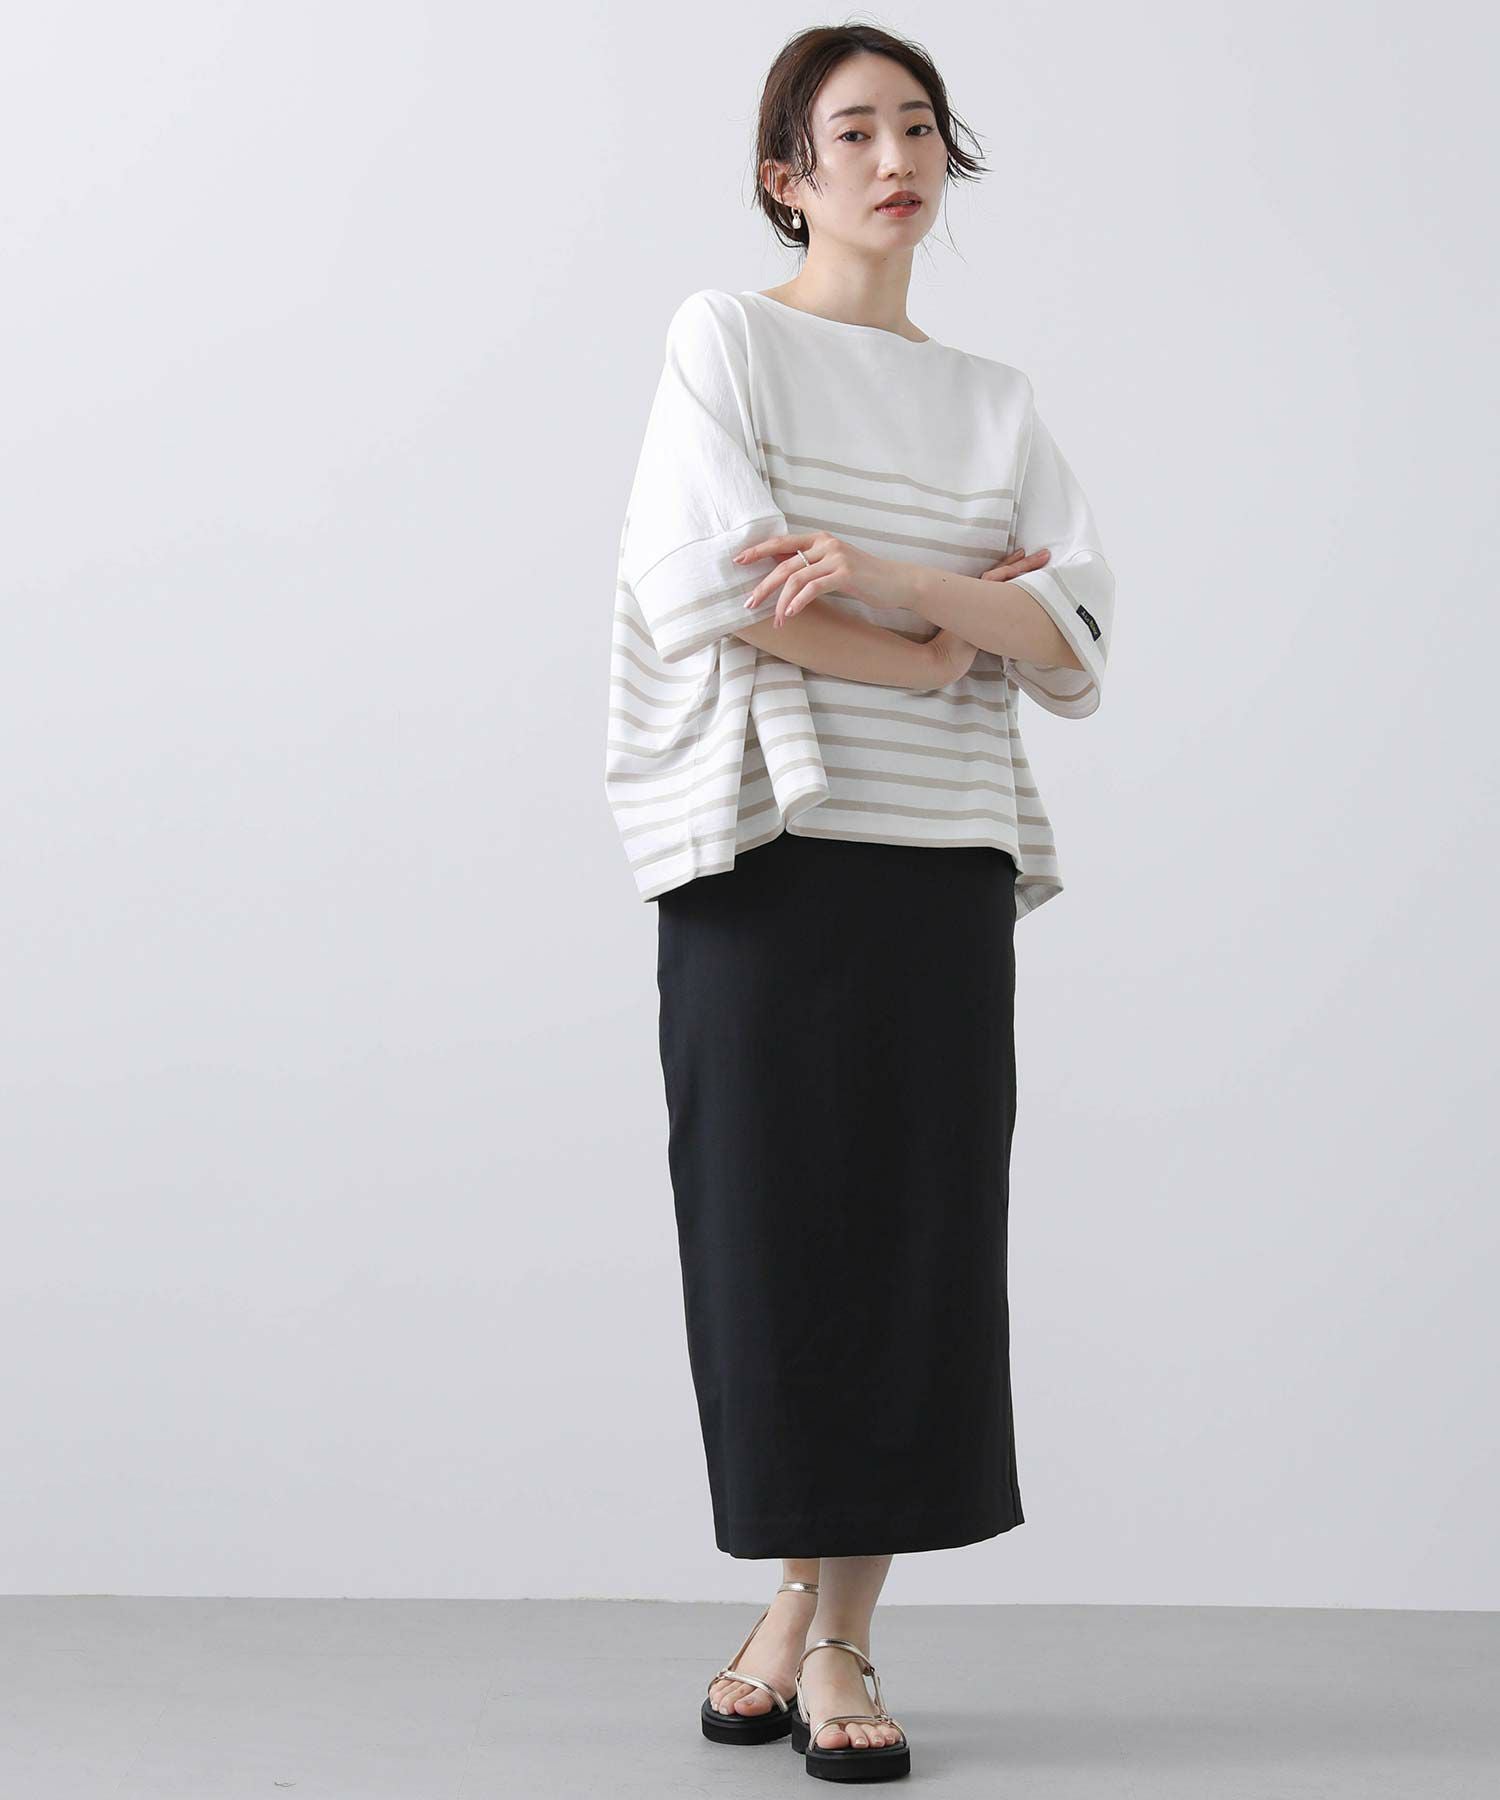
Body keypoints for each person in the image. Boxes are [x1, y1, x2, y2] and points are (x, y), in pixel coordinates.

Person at [603, 23, 1115, 1782]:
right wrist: (937, 642)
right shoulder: (727, 339)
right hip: (762, 853)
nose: (896, 160)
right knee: (771, 1246)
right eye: (853, 134)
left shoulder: (996, 403)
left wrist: (893, 581)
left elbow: (1075, 641)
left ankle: (830, 1640)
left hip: (940, 864)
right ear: (788, 176)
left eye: (919, 128)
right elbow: (719, 586)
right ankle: (796, 1616)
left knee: (911, 1250)